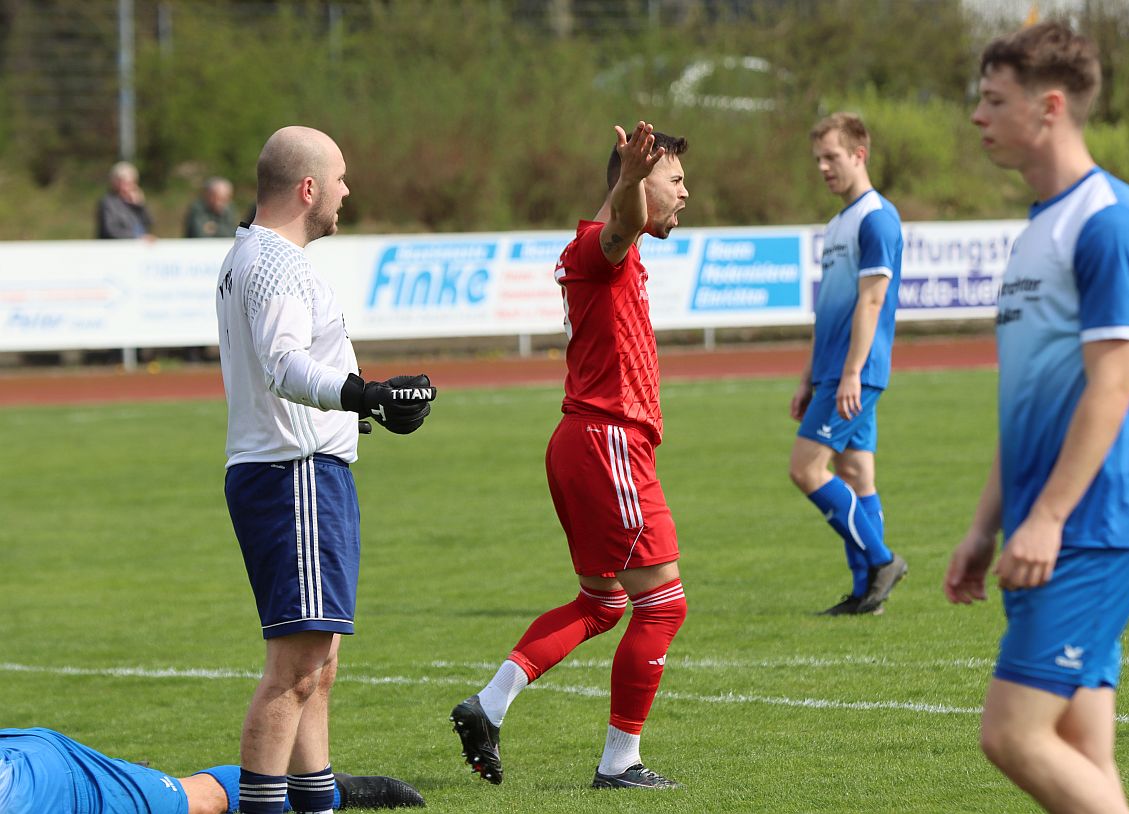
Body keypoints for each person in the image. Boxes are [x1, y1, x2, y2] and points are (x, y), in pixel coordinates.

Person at [944, 21, 1129, 814]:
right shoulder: (1040, 227)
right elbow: (1029, 400)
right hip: (1058, 524)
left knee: (1012, 734)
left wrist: (1045, 519)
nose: (977, 115)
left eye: (992, 99)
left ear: (1047, 108)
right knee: (1080, 753)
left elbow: (1113, 386)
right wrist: (984, 525)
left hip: (1095, 525)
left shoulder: (1106, 222)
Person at [450, 121, 689, 791]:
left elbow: (627, 228)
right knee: (662, 605)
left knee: (603, 604)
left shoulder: (616, 250)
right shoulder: (599, 244)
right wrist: (633, 183)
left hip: (589, 442)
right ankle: (620, 763)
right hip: (608, 440)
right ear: (639, 184)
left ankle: (488, 705)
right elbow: (621, 228)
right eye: (675, 180)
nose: (686, 193)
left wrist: (634, 186)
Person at [216, 125, 436, 814]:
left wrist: (362, 405)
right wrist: (361, 394)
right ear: (307, 188)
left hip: (293, 469)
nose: (346, 190)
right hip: (294, 474)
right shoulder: (278, 260)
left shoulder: (250, 253)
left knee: (318, 662)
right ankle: (265, 806)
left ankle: (317, 800)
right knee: (294, 670)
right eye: (339, 178)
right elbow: (284, 365)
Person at [788, 112, 908, 616]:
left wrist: (852, 372)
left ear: (859, 154)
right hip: (834, 371)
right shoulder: (839, 223)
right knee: (856, 473)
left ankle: (882, 561)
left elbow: (872, 302)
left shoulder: (876, 218)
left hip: (855, 372)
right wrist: (808, 377)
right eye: (818, 158)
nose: (822, 167)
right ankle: (865, 595)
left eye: (831, 156)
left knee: (807, 469)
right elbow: (828, 309)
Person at [0, 726, 425, 812]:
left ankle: (328, 791)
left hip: (45, 782)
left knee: (199, 798)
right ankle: (126, 773)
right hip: (24, 750)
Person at [96, 161, 154, 239]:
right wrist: (137, 237)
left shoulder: (136, 203)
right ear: (114, 183)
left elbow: (149, 224)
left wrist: (140, 206)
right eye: (123, 183)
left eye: (130, 183)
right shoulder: (108, 203)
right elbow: (111, 230)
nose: (126, 187)